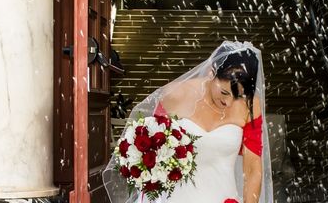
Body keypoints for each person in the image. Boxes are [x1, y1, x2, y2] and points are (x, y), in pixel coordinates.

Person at [103, 41, 272, 203]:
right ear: (212, 72)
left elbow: (252, 168)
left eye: (238, 96)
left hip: (223, 196)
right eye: (225, 93)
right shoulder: (175, 95)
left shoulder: (250, 106)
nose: (229, 103)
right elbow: (151, 145)